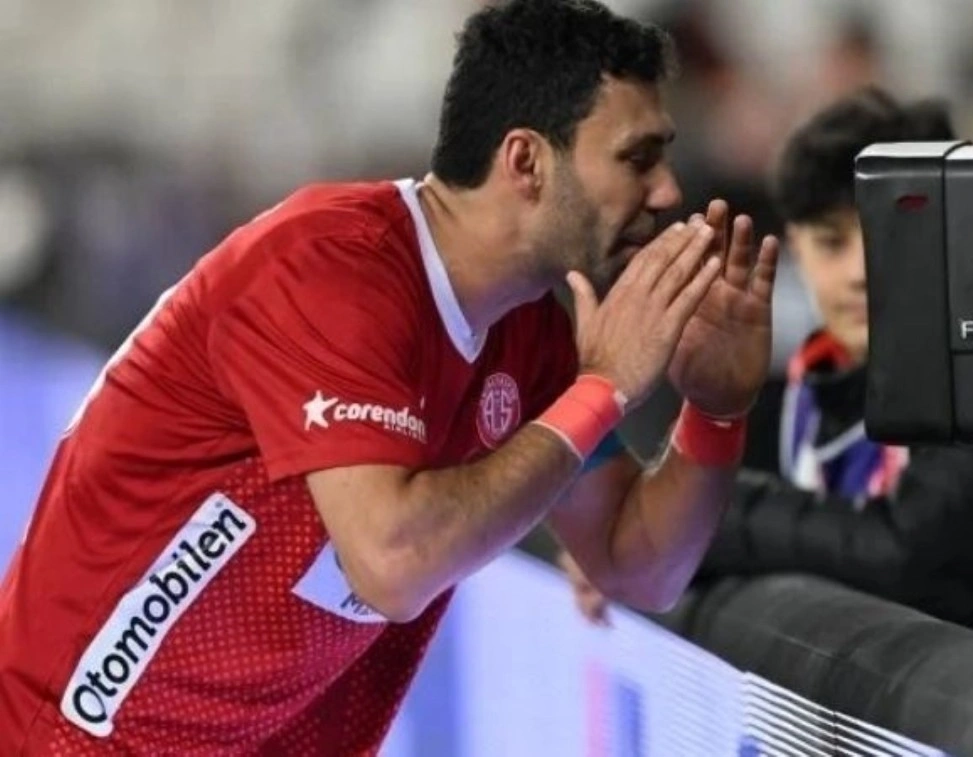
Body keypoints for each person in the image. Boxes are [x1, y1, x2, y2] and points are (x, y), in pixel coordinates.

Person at [0, 0, 779, 752]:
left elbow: (636, 560)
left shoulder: (531, 333)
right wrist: (603, 388)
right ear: (526, 161)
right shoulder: (329, 268)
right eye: (638, 157)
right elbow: (394, 561)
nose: (668, 191)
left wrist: (714, 410)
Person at [562, 87, 973, 716]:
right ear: (793, 248)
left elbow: (910, 559)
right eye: (831, 242)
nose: (859, 271)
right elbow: (774, 535)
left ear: (945, 227)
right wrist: (651, 549)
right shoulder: (807, 392)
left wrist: (691, 530)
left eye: (883, 234)